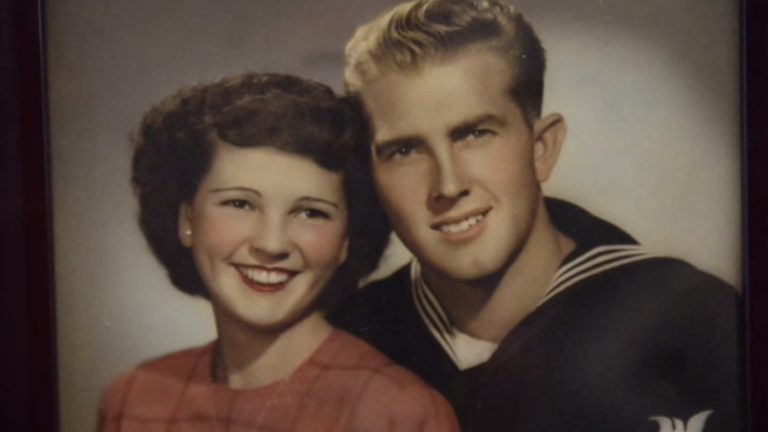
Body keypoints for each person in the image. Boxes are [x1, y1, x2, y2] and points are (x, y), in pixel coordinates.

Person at [328, 1, 744, 431]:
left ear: (541, 148)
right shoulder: (343, 345)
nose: (448, 186)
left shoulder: (694, 318)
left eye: (475, 134)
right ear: (370, 176)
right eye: (404, 151)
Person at [97, 72, 460, 432]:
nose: (272, 244)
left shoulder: (400, 414)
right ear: (187, 218)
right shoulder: (132, 399)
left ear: (345, 240)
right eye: (240, 204)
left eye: (310, 213)